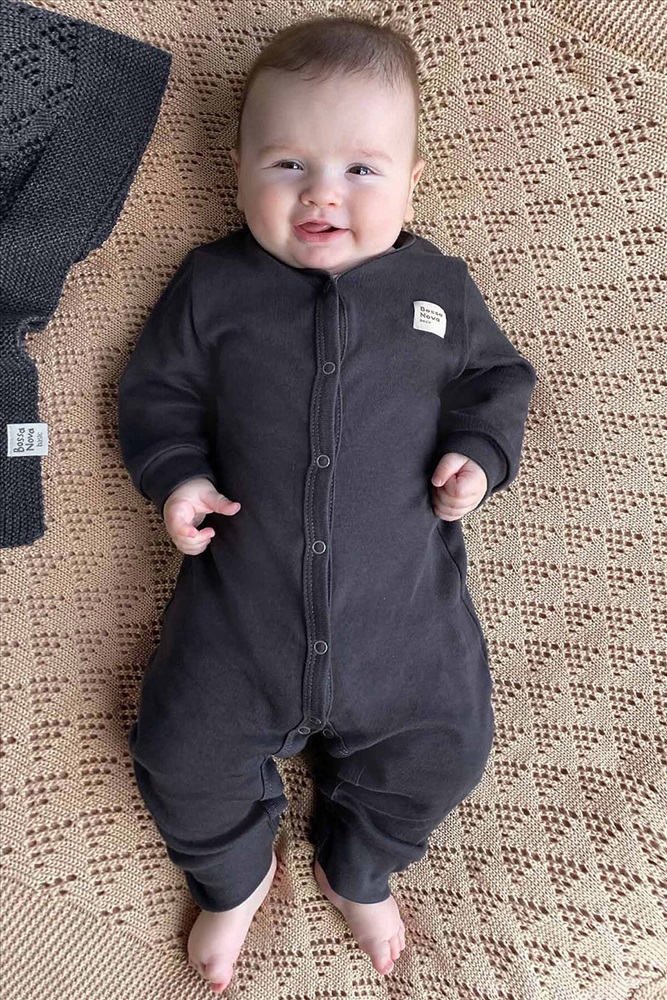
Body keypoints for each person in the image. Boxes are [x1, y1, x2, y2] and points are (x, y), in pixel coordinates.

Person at [117, 14, 537, 994]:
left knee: (449, 750)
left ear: (411, 182)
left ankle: (360, 864)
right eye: (287, 165)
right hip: (239, 622)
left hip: (405, 632)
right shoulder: (214, 285)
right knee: (176, 749)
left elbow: (498, 382)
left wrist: (478, 457)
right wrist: (177, 476)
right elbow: (157, 393)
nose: (320, 193)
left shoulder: (438, 288)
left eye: (360, 170)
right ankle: (234, 873)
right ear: (237, 171)